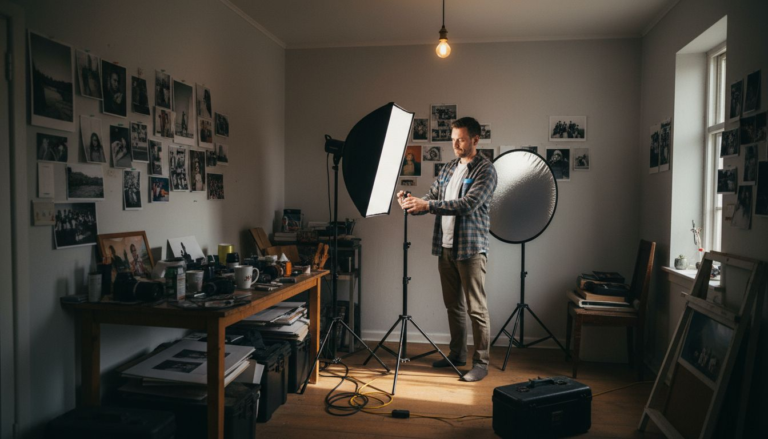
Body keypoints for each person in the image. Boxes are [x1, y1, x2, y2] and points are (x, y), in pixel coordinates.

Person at [398, 116, 497, 382]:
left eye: (461, 139)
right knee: (453, 305)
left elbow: (468, 204)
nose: (455, 143)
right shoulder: (449, 167)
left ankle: (481, 363)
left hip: (471, 249)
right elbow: (433, 198)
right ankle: (457, 355)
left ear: (475, 139)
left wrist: (427, 205)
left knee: (476, 309)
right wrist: (411, 202)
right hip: (445, 247)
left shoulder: (485, 170)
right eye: (453, 138)